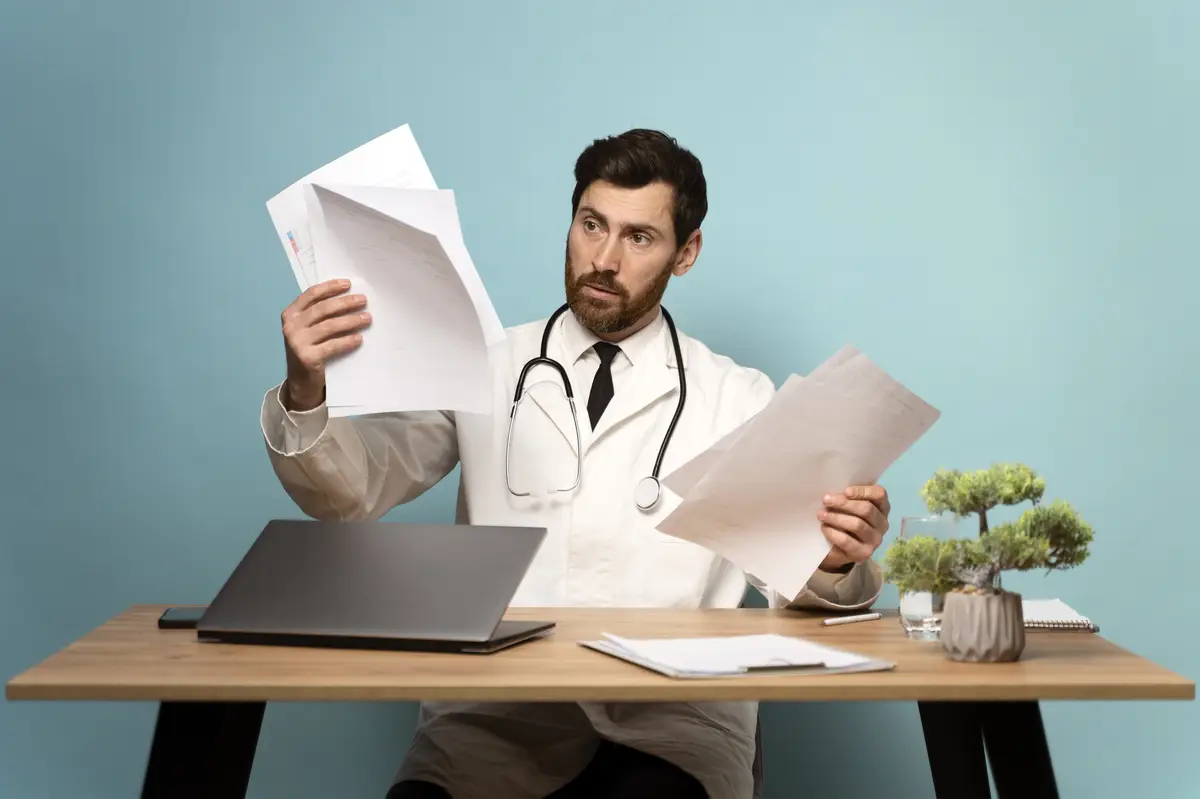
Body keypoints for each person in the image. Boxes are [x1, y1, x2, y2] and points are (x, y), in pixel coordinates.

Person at [260, 129, 889, 799]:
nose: (605, 259)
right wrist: (307, 388)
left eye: (639, 238)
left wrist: (835, 557)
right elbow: (349, 492)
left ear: (687, 252)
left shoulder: (737, 397)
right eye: (592, 225)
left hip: (671, 725)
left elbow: (799, 589)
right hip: (495, 722)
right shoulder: (486, 362)